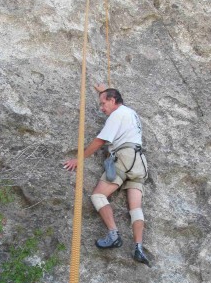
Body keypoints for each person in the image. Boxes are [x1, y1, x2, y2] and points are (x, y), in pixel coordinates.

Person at [63, 85, 150, 265]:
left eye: (103, 103)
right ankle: (138, 247)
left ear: (113, 100)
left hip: (124, 157)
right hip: (140, 162)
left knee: (98, 195)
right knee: (135, 208)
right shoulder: (131, 113)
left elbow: (101, 140)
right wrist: (104, 90)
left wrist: (79, 159)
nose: (101, 108)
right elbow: (113, 94)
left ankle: (114, 235)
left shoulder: (116, 115)